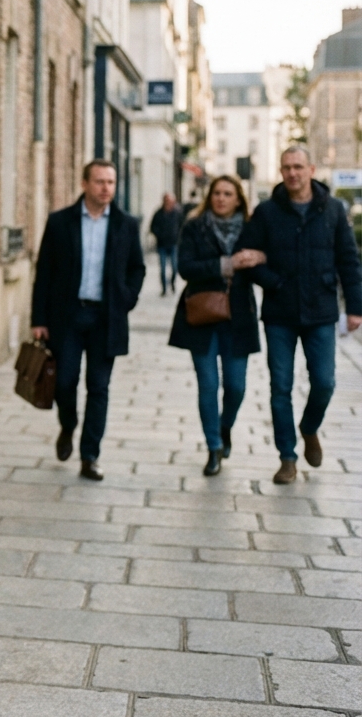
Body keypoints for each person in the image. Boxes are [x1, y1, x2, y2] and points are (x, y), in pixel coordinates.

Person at [236, 146, 362, 484]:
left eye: (298, 166)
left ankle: (309, 427)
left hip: (321, 310)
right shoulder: (267, 212)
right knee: (281, 387)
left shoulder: (333, 210)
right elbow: (245, 256)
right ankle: (287, 458)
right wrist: (273, 281)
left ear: (311, 169)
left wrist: (355, 307)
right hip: (280, 313)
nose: (292, 173)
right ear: (281, 172)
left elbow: (348, 259)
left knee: (325, 382)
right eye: (287, 167)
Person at [31, 159, 146, 481]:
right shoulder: (60, 222)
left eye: (110, 182)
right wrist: (38, 319)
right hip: (67, 316)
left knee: (99, 387)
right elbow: (44, 272)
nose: (106, 188)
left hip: (106, 318)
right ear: (84, 184)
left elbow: (137, 268)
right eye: (99, 181)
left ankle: (90, 455)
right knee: (64, 382)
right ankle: (68, 425)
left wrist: (126, 299)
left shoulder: (126, 224)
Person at [167, 176, 265, 476]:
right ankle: (213, 447)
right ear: (209, 197)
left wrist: (260, 257)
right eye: (217, 193)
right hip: (202, 314)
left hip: (239, 316)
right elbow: (185, 267)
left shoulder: (251, 229)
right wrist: (226, 265)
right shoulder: (194, 226)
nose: (221, 198)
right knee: (208, 384)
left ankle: (225, 427)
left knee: (236, 386)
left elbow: (267, 262)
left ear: (238, 199)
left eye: (228, 194)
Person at [150, 193, 184, 294]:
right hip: (162, 245)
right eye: (167, 201)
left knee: (174, 267)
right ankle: (164, 288)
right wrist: (159, 235)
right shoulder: (158, 213)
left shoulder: (177, 213)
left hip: (174, 244)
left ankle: (172, 283)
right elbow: (153, 227)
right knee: (163, 268)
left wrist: (178, 236)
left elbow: (182, 225)